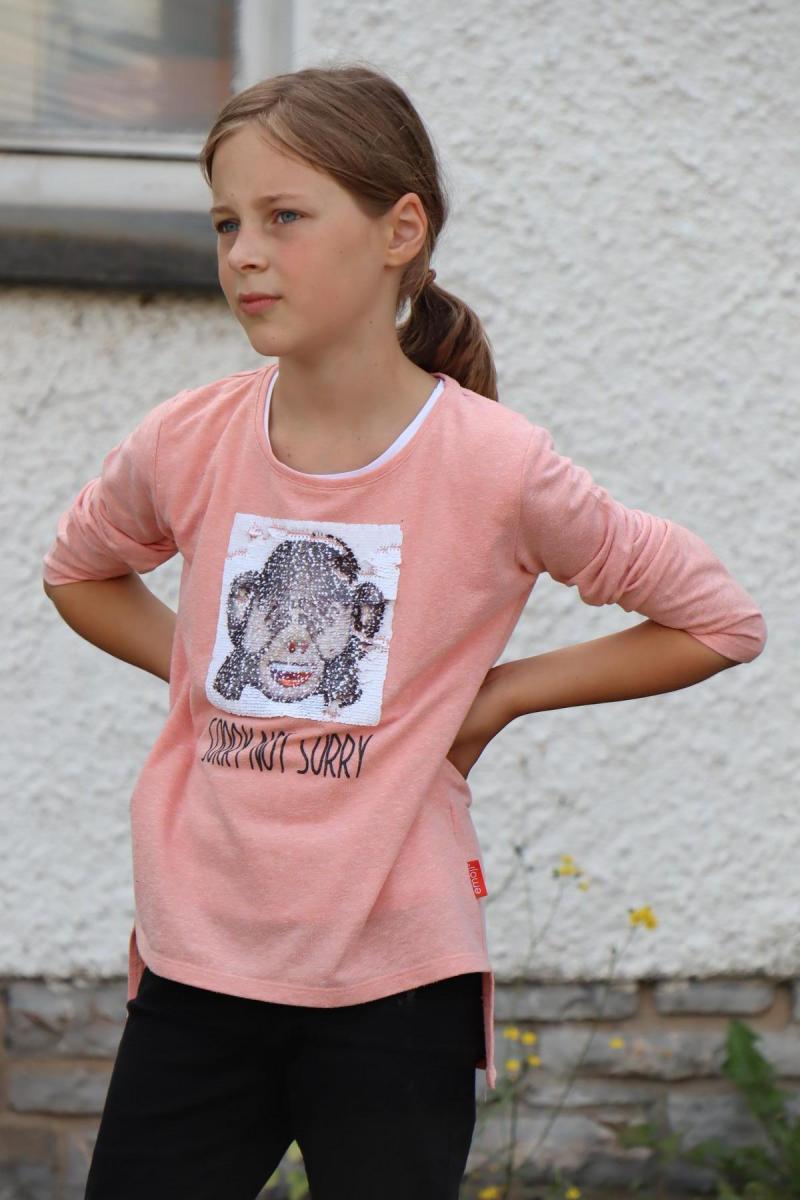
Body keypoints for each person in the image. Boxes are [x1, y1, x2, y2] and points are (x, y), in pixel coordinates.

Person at [41, 63, 767, 1200]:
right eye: (227, 222)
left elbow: (718, 620)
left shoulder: (495, 466)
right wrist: (203, 668)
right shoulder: (185, 440)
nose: (244, 254)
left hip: (397, 989)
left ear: (400, 230)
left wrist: (500, 693)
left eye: (285, 216)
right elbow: (78, 571)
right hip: (197, 969)